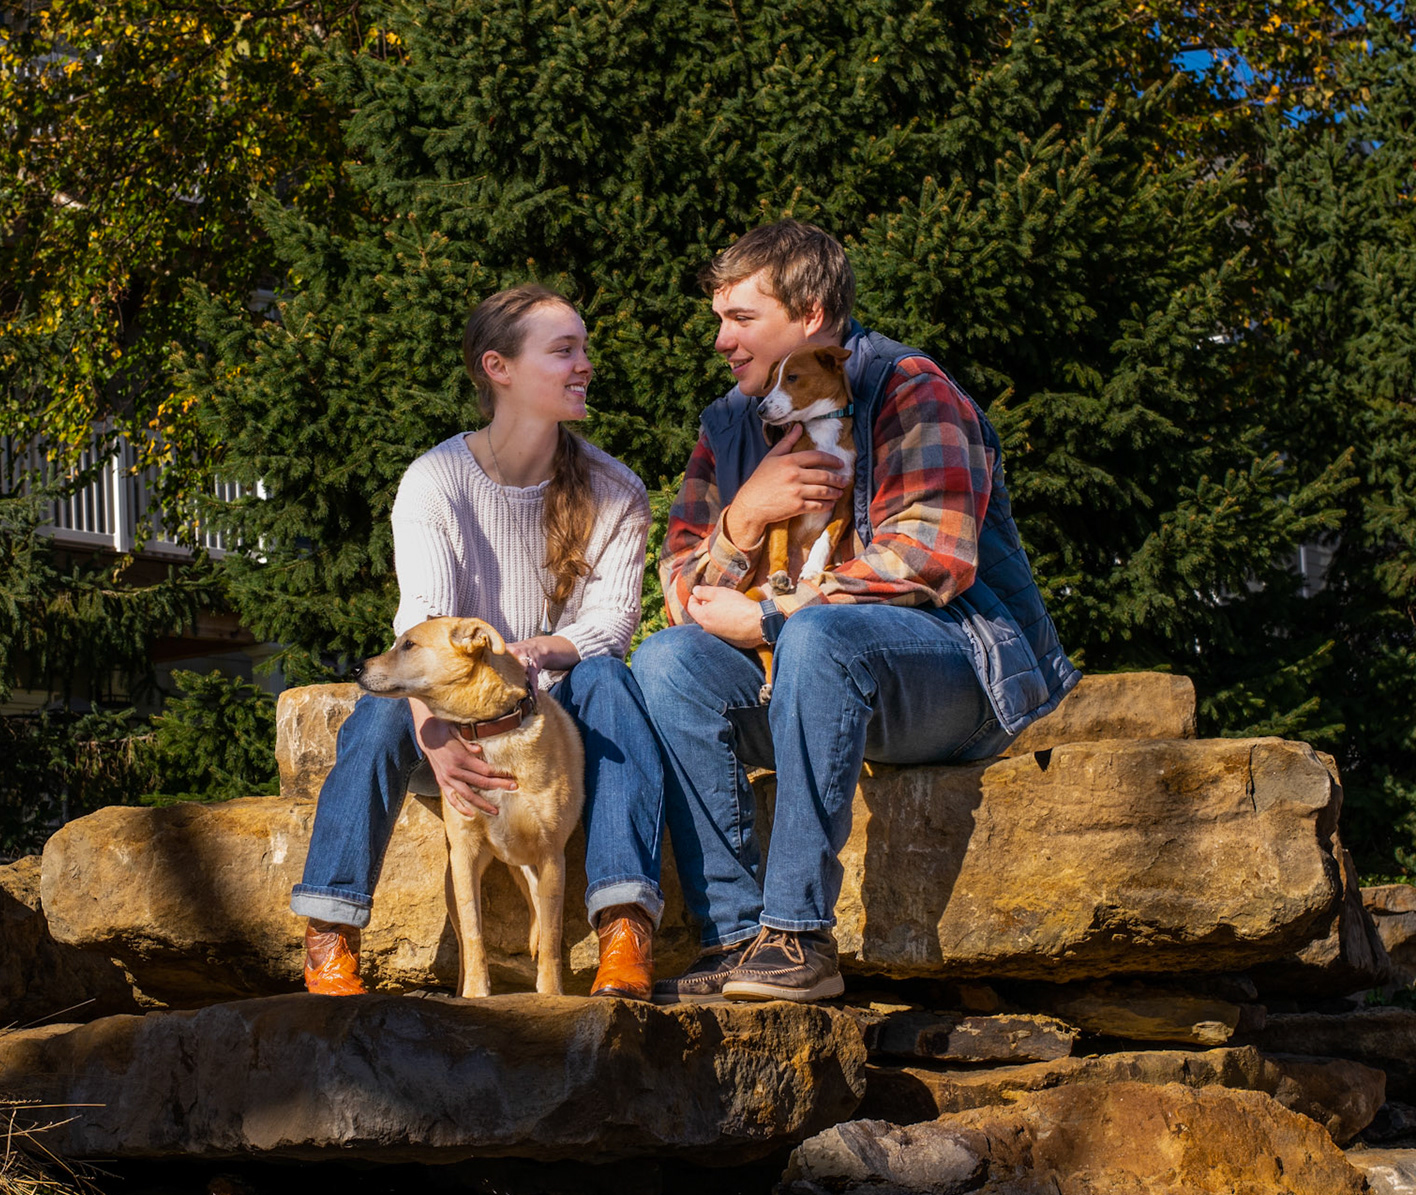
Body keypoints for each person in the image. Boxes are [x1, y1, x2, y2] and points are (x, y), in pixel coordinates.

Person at [632, 220, 1080, 1004]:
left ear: (809, 313)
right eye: (719, 321)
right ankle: (737, 939)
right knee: (664, 664)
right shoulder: (730, 424)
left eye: (741, 319)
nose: (721, 341)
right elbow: (680, 593)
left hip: (951, 672)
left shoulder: (910, 387)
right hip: (809, 680)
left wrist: (775, 620)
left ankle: (798, 935)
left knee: (822, 634)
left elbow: (928, 556)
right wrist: (743, 518)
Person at [291, 283, 668, 999]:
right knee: (375, 715)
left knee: (614, 684)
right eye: (565, 350)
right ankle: (330, 935)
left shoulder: (616, 489)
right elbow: (424, 619)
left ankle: (624, 928)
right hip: (456, 712)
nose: (585, 364)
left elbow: (612, 625)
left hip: (552, 718)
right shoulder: (435, 482)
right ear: (498, 368)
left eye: (584, 348)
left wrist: (537, 653)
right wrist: (434, 732)